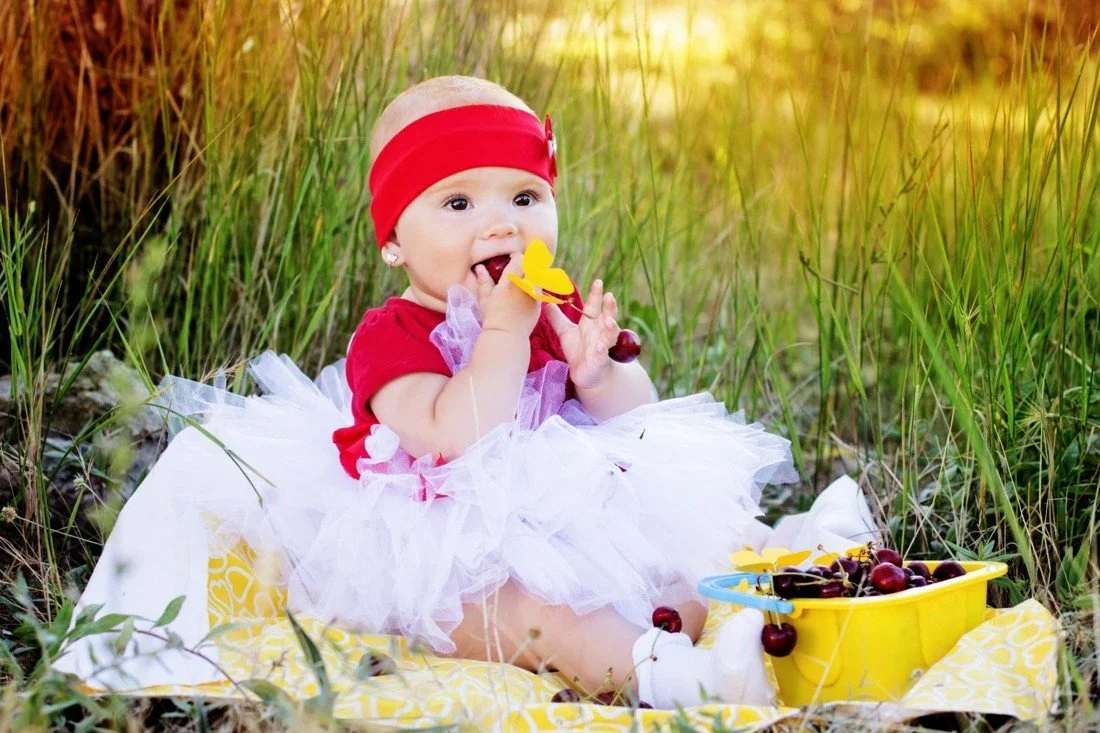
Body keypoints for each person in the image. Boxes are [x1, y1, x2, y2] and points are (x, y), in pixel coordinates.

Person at [55, 75, 875, 709]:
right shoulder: (392, 338)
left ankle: (672, 627)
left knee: (684, 560)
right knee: (529, 614)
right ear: (393, 243)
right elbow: (454, 433)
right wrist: (505, 333)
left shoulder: (544, 307)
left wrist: (598, 371)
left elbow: (643, 425)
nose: (502, 223)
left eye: (525, 198)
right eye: (458, 202)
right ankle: (677, 680)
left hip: (566, 515)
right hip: (440, 543)